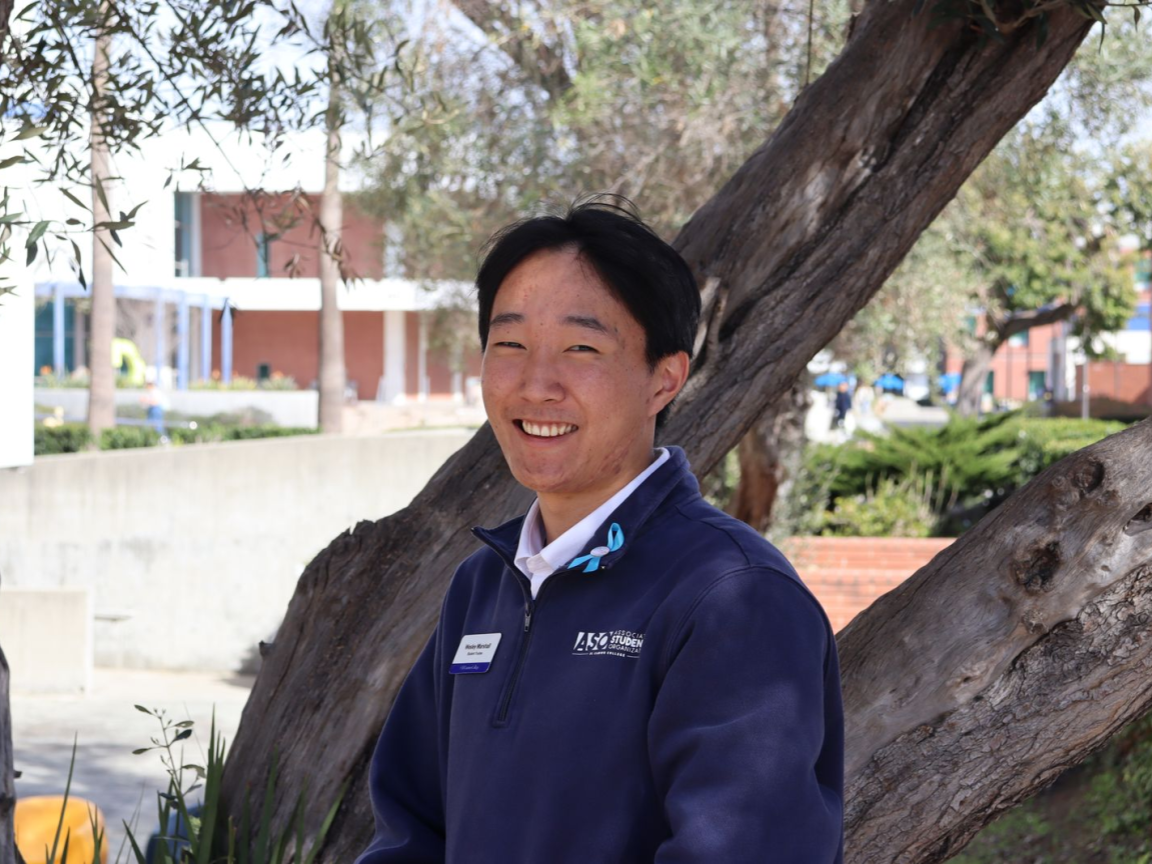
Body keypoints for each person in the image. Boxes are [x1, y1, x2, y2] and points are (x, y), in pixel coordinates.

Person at [356, 197, 844, 864]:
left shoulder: (732, 595)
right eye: (510, 345)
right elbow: (410, 831)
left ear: (664, 379)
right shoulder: (483, 586)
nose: (536, 384)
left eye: (581, 348)